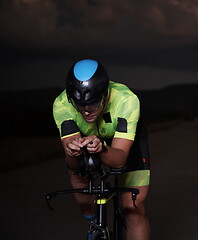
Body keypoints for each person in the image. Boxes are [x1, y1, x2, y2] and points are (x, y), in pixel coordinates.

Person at [53, 59, 150, 240]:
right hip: (88, 138)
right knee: (77, 173)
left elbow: (119, 160)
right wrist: (73, 151)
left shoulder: (127, 100)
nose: (86, 111)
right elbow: (72, 164)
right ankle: (94, 223)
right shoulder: (61, 104)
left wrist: (102, 149)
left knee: (132, 208)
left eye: (94, 103)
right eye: (79, 104)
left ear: (105, 94)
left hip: (125, 141)